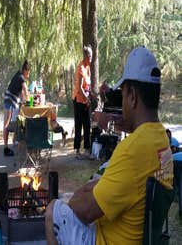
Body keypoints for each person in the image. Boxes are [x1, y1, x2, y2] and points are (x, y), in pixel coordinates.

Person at [45, 46, 174, 245]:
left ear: (132, 96)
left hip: (108, 240)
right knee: (96, 182)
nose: (121, 102)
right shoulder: (162, 139)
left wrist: (80, 194)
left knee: (54, 209)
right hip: (140, 235)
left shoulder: (131, 150)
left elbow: (85, 211)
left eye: (122, 95)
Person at [3, 60, 30, 156]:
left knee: (18, 120)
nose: (28, 75)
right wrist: (28, 100)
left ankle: (15, 141)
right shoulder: (21, 76)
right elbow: (25, 90)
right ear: (25, 71)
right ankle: (6, 148)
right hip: (9, 100)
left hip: (12, 100)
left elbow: (22, 93)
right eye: (28, 72)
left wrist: (24, 101)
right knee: (6, 123)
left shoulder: (19, 75)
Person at [72, 45, 92, 158]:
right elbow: (79, 87)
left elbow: (87, 85)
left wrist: (91, 95)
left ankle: (87, 150)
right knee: (79, 124)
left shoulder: (88, 67)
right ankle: (77, 150)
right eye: (90, 56)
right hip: (78, 100)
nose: (91, 59)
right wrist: (86, 98)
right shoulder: (81, 67)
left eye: (92, 56)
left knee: (87, 124)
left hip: (86, 100)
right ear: (86, 56)